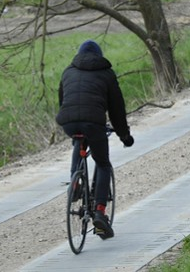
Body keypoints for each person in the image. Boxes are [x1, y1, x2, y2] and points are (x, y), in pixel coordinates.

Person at [57, 39, 134, 240]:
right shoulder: (106, 74)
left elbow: (63, 101)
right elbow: (117, 109)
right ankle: (100, 211)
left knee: (79, 140)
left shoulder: (68, 71)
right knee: (102, 163)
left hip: (68, 122)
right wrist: (124, 135)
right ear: (98, 56)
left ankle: (75, 182)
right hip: (94, 122)